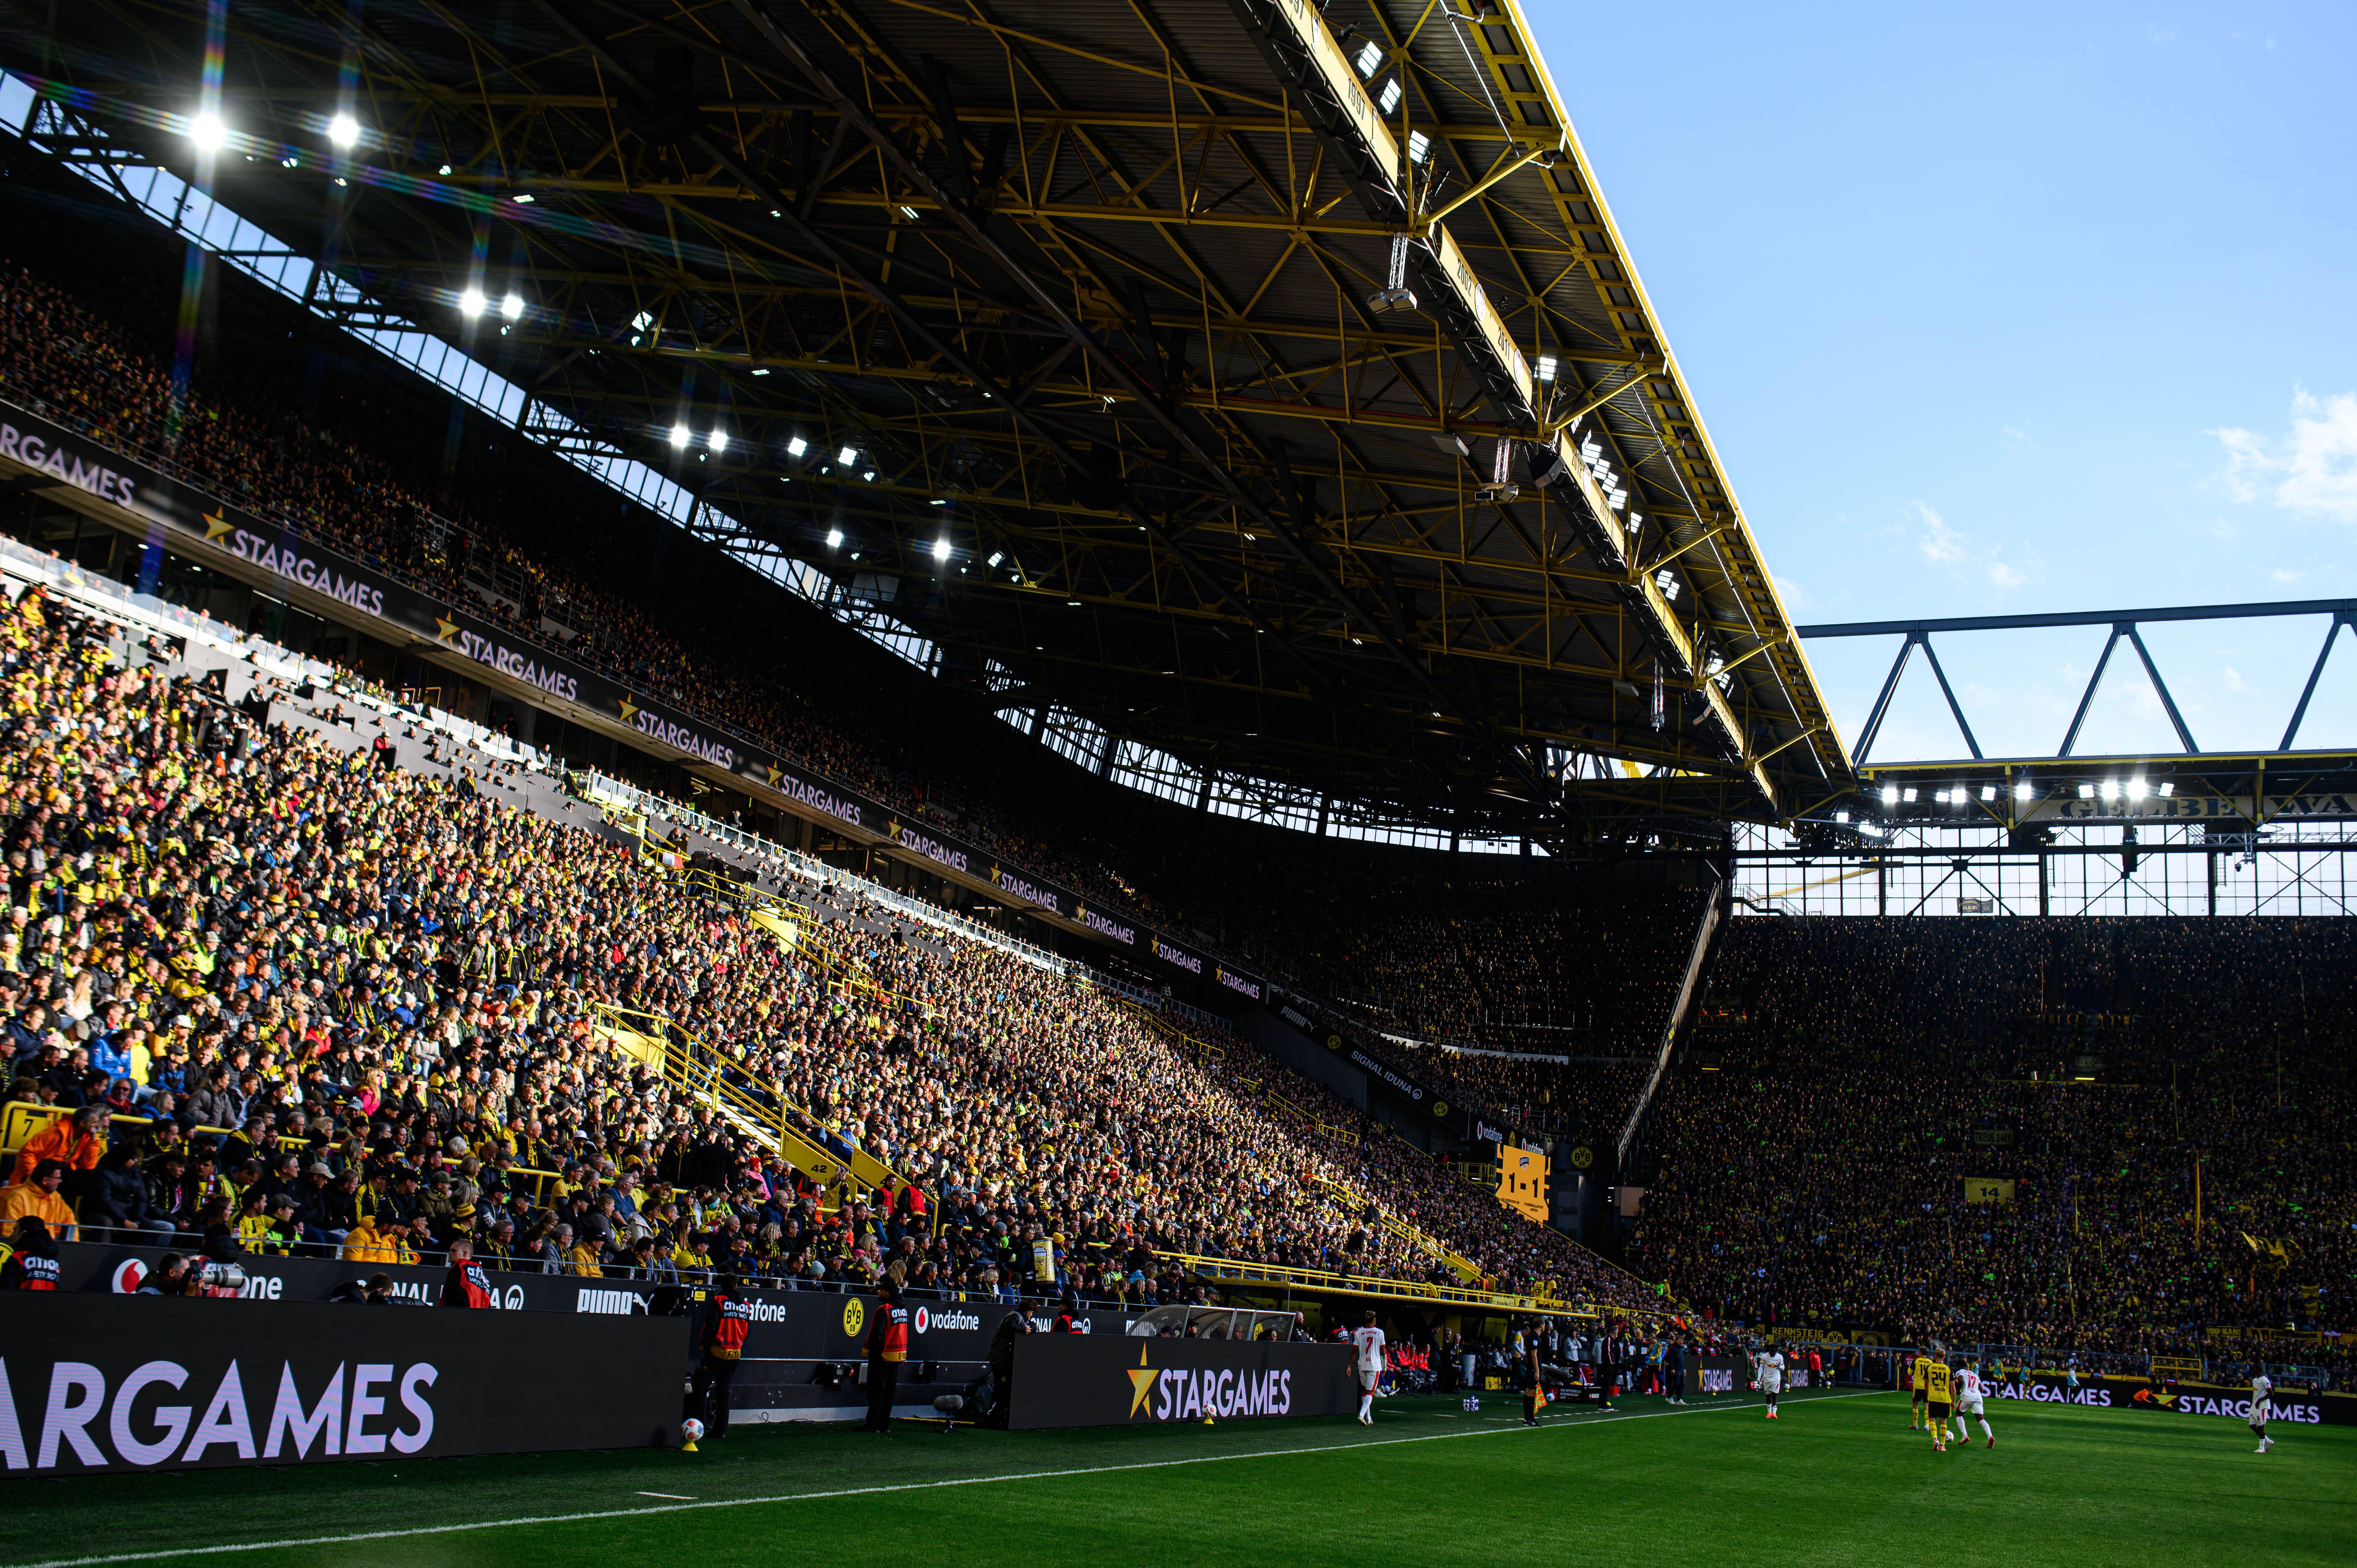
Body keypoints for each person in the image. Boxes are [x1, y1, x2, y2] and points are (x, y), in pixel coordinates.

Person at [690, 1273, 753, 1440]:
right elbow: (748, 1332)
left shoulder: (719, 1301)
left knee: (701, 1387)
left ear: (722, 1286)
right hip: (735, 1354)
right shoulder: (746, 1305)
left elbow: (711, 1326)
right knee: (724, 1392)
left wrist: (707, 1346)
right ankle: (721, 1431)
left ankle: (697, 1428)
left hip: (717, 1353)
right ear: (736, 1286)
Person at [863, 1280, 910, 1433]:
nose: (879, 1293)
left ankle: (873, 1425)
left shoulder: (884, 1310)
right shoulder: (903, 1309)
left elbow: (877, 1334)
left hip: (882, 1355)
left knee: (877, 1390)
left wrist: (873, 1352)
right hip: (897, 1355)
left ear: (888, 1293)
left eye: (881, 1290)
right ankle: (885, 1425)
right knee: (889, 1392)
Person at [0, 1159, 76, 1241]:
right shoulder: (16, 1198)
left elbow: (69, 1223)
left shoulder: (55, 1197)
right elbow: (9, 1234)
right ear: (44, 1180)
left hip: (47, 1249)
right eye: (57, 1179)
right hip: (23, 1249)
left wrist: (75, 1248)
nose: (60, 1182)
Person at [0, 1213, 59, 1289]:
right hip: (48, 1301)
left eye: (15, 1231)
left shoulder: (18, 1258)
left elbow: (6, 1292)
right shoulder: (55, 1263)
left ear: (23, 1233)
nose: (11, 1236)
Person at [1351, 1309, 1386, 1427]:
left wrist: (1349, 1365)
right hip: (1374, 1366)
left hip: (1362, 1365)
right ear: (1374, 1321)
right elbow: (1382, 1351)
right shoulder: (1380, 1333)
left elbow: (1354, 1351)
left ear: (1365, 1320)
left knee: (1365, 1392)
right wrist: (1384, 1366)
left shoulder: (1359, 1333)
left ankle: (1369, 1417)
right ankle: (1361, 1415)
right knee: (1370, 1393)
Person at [440, 1236, 495, 1308]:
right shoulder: (482, 1275)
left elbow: (451, 1295)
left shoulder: (459, 1267)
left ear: (465, 1254)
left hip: (460, 1315)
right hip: (480, 1317)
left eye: (454, 1251)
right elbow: (488, 1304)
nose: (450, 1253)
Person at [1952, 1361, 1993, 1449]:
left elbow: (1960, 1379)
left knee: (1959, 1414)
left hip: (1967, 1396)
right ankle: (1990, 1437)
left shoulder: (1960, 1372)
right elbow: (1982, 1389)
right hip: (1978, 1397)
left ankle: (1965, 1436)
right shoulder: (1975, 1375)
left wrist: (1959, 1386)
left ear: (1959, 1366)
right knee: (1981, 1419)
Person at [1924, 1354, 1955, 1452]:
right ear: (1944, 1358)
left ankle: (1935, 1439)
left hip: (1933, 1398)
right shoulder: (1948, 1369)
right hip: (1945, 1399)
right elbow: (1953, 1388)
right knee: (1943, 1421)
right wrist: (1953, 1401)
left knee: (1932, 1419)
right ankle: (1942, 1445)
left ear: (1935, 1356)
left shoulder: (1930, 1367)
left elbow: (1926, 1384)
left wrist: (1930, 1395)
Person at [1756, 1342, 1785, 1421]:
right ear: (1769, 1351)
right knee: (1768, 1395)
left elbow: (1783, 1368)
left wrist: (1779, 1366)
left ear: (1776, 1352)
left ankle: (1774, 1413)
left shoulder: (1780, 1357)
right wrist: (1759, 1378)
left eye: (1774, 1352)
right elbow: (1761, 1368)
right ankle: (1769, 1412)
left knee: (1775, 1395)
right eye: (1771, 1352)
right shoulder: (1764, 1357)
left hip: (1776, 1379)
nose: (1772, 1353)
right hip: (1767, 1379)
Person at [2250, 1371, 2274, 1455]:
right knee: (2252, 1426)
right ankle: (2268, 1441)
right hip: (2254, 1406)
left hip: (2262, 1406)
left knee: (2261, 1427)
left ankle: (2261, 1448)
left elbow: (2271, 1393)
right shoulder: (2254, 1380)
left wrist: (2260, 1400)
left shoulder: (2265, 1380)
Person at [1910, 1348, 1931, 1430]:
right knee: (1926, 1405)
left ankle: (1915, 1425)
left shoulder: (1916, 1361)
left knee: (1915, 1404)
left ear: (1920, 1352)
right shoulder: (1930, 1362)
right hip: (1927, 1387)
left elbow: (1909, 1373)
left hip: (1918, 1386)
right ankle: (1927, 1426)